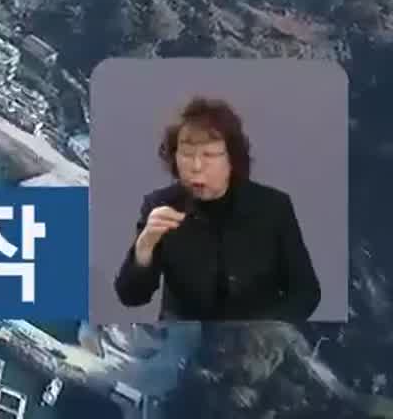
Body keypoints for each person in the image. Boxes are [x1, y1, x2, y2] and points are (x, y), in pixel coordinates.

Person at [114, 96, 321, 321]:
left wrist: (267, 333)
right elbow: (131, 296)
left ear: (232, 159)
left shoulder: (273, 207)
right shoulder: (159, 206)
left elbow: (306, 292)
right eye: (186, 154)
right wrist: (145, 245)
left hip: (256, 341)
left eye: (210, 155)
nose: (196, 166)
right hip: (185, 342)